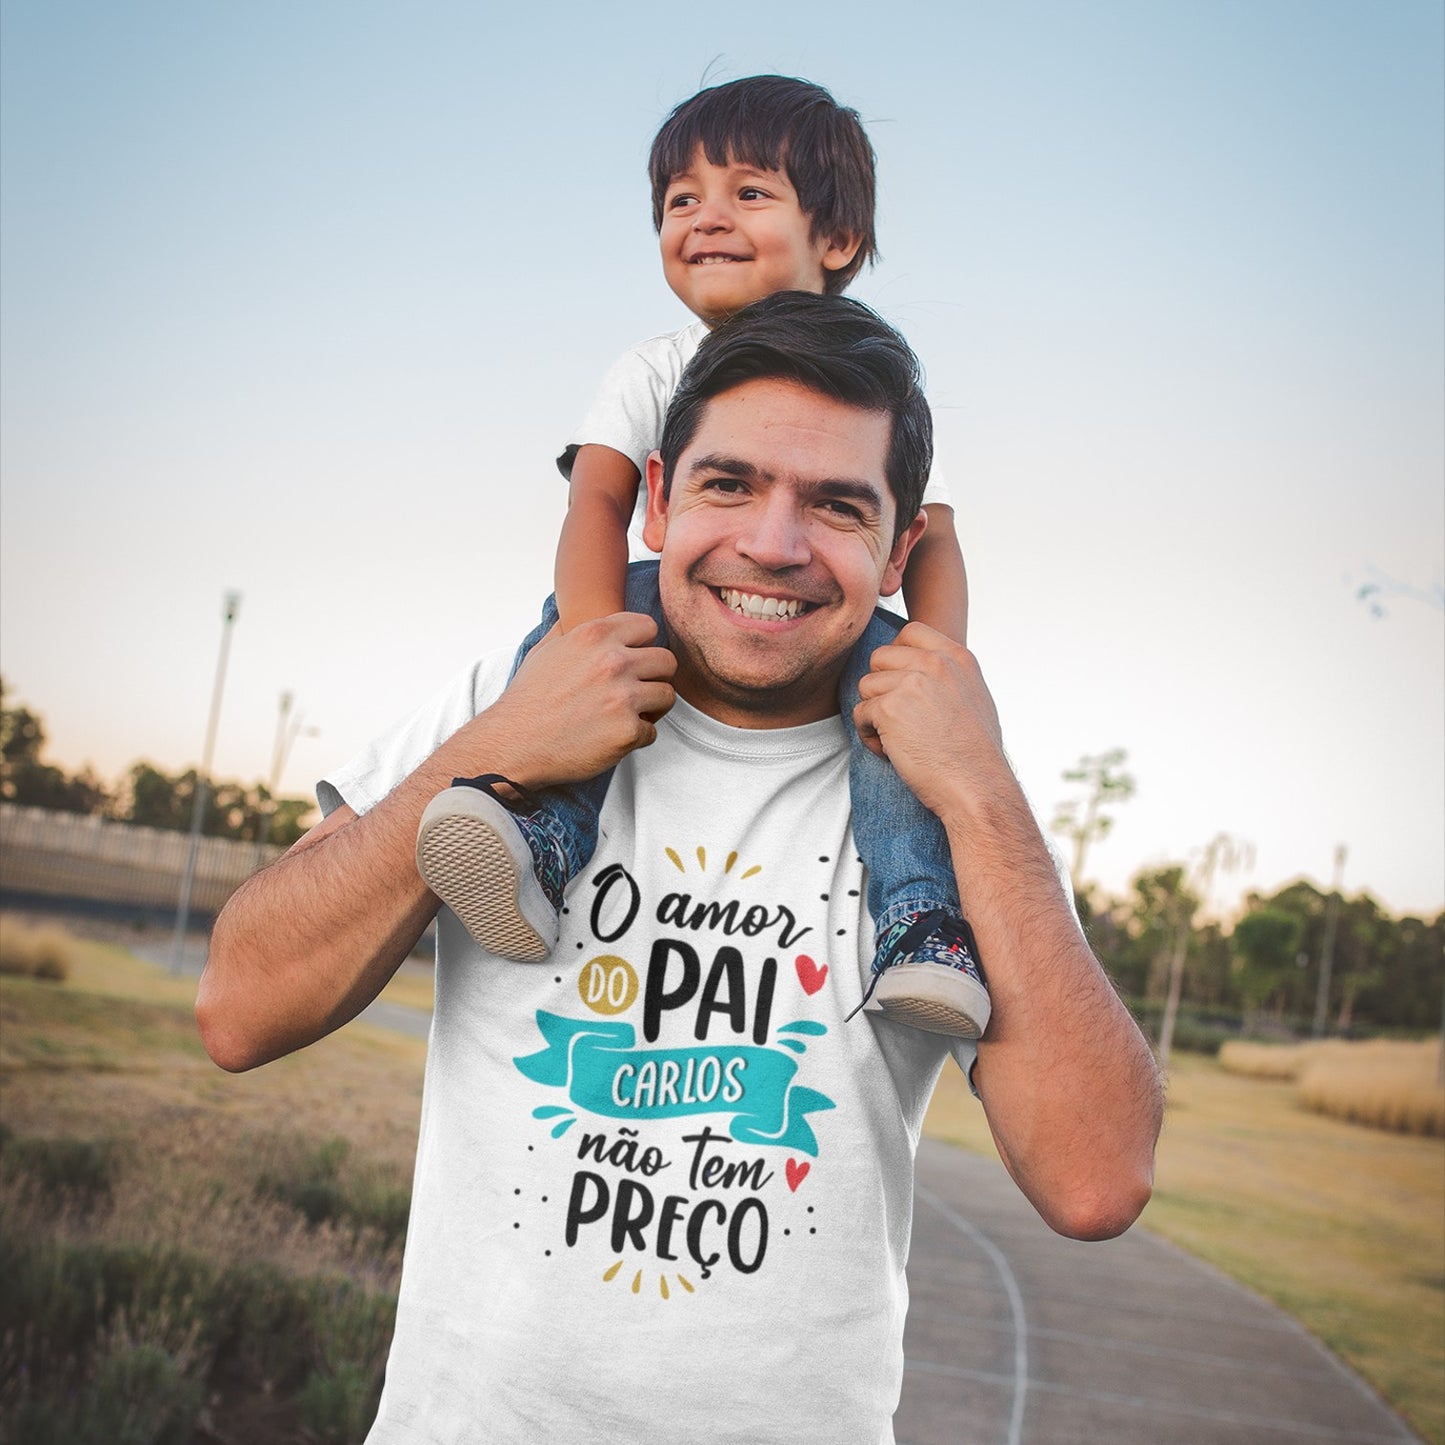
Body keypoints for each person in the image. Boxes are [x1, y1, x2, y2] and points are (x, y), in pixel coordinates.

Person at [198, 291, 1163, 1445]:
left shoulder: (943, 787)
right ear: (655, 499)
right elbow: (238, 1010)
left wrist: (982, 787)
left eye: (836, 505)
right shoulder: (500, 699)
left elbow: (1095, 1179)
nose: (772, 542)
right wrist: (496, 745)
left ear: (900, 550)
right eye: (728, 483)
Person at [414, 75, 990, 1039]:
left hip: (832, 631)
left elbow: (933, 536)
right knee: (556, 636)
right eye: (682, 199)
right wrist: (590, 649)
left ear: (836, 240)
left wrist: (931, 674)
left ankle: (921, 924)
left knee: (893, 734)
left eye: (749, 194)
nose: (706, 218)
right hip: (658, 602)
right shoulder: (653, 364)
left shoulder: (874, 379)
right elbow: (596, 504)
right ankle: (540, 833)